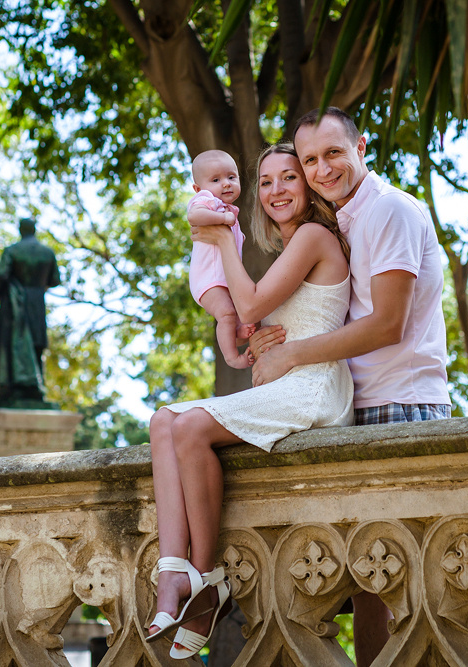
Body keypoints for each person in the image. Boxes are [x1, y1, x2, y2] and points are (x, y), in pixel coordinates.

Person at [249, 107, 451, 667]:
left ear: (361, 146)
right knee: (369, 584)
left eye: (333, 153)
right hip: (360, 407)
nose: (321, 168)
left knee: (404, 585)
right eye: (309, 159)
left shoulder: (388, 211)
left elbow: (388, 323)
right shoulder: (346, 219)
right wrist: (272, 338)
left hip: (400, 407)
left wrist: (291, 354)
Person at [146, 143, 354, 659]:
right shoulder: (290, 249)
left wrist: (219, 240)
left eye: (289, 177)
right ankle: (174, 574)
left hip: (316, 386)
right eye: (266, 182)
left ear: (307, 185)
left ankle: (208, 580)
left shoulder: (312, 235)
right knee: (161, 421)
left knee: (190, 425)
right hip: (288, 379)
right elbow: (268, 315)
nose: (277, 189)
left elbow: (251, 301)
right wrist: (260, 337)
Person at [187, 149, 256, 369]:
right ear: (198, 189)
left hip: (222, 279)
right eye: (216, 179)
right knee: (225, 312)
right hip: (207, 279)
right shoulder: (207, 200)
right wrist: (222, 218)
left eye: (231, 177)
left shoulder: (229, 210)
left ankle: (236, 331)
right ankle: (232, 358)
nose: (225, 183)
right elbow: (194, 215)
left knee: (234, 310)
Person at [0, 218, 61, 408]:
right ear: (35, 229)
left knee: (16, 346)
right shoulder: (47, 252)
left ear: (21, 229)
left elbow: (2, 274)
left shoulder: (12, 251)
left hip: (16, 305)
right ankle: (38, 388)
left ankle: (18, 390)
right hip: (37, 301)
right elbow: (55, 280)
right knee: (36, 345)